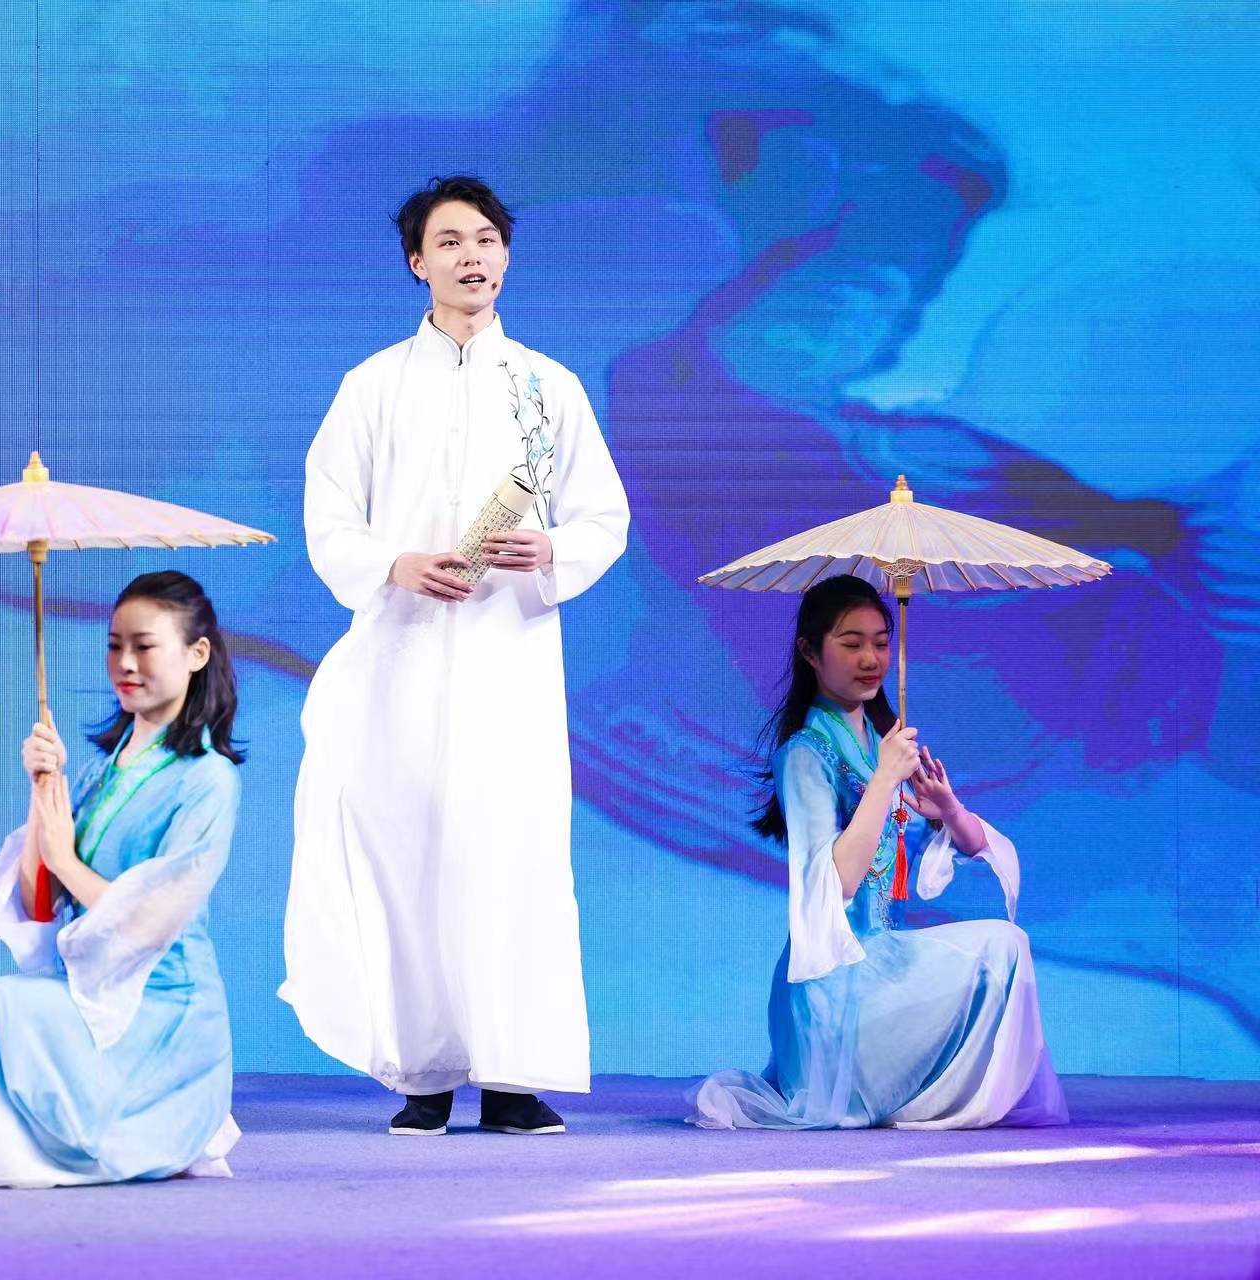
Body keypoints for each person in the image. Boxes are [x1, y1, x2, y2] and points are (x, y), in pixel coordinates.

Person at [282, 175, 632, 1136]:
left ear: (506, 255)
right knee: (408, 848)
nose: (471, 255)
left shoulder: (549, 387)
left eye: (486, 238)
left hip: (507, 653)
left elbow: (603, 516)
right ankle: (425, 1074)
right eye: (449, 241)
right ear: (416, 263)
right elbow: (328, 513)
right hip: (400, 649)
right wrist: (391, 564)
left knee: (511, 848)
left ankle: (515, 1076)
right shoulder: (373, 385)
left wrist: (550, 548)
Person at [0, 571, 244, 1187]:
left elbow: (148, 925)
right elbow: (39, 905)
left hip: (162, 1005)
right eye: (115, 645)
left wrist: (65, 860)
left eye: (145, 645)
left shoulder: (209, 780)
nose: (125, 663)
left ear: (197, 654)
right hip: (87, 984)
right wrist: (43, 791)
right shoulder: (97, 771)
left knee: (1, 1004)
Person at [689, 574, 1068, 1129]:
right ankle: (913, 1099)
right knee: (1002, 946)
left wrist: (947, 807)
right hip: (834, 988)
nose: (871, 658)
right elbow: (837, 883)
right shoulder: (805, 754)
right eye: (851, 643)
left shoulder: (881, 739)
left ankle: (935, 1099)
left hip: (882, 966)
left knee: (1006, 948)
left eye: (882, 642)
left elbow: (967, 846)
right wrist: (886, 780)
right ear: (810, 653)